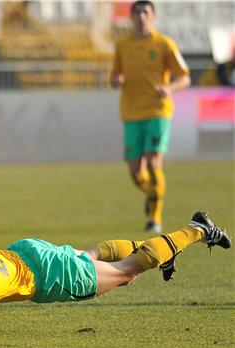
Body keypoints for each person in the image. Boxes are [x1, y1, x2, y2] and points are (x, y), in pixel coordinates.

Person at [0, 205, 230, 340]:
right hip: (28, 251)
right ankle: (165, 248)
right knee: (91, 256)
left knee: (128, 272)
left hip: (49, 278)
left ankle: (198, 230)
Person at [110, 0, 190, 235]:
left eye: (145, 12)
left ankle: (154, 218)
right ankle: (153, 194)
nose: (141, 16)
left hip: (158, 111)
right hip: (132, 114)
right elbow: (115, 76)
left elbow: (184, 77)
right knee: (136, 174)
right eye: (136, 12)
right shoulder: (122, 45)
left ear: (153, 16)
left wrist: (170, 88)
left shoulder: (164, 44)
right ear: (131, 17)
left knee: (154, 163)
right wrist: (116, 81)